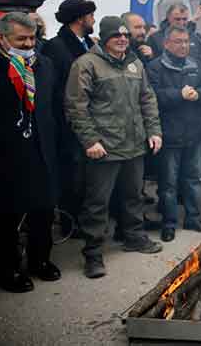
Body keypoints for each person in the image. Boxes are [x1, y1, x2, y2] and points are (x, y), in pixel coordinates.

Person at [65, 16, 164, 278]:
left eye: (125, 36)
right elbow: (76, 107)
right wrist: (90, 141)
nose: (122, 40)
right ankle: (93, 254)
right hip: (104, 148)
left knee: (133, 195)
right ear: (105, 38)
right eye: (115, 36)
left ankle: (133, 237)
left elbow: (147, 99)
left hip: (134, 144)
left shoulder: (134, 64)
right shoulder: (86, 64)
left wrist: (154, 131)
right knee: (97, 203)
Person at [0, 13, 60, 293]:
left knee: (44, 210)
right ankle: (9, 269)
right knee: (7, 215)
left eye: (32, 38)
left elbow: (55, 107)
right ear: (2, 38)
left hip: (42, 149)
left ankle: (40, 261)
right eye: (20, 39)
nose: (27, 44)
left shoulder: (44, 65)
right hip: (7, 153)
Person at [147, 26, 201, 241]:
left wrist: (199, 95)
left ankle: (193, 218)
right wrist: (179, 94)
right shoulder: (155, 67)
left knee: (194, 179)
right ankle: (169, 223)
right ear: (166, 44)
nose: (183, 45)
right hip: (169, 135)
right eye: (178, 41)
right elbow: (152, 96)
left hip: (194, 133)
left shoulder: (197, 65)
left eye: (186, 41)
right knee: (168, 184)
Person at [40, 0, 97, 237]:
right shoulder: (57, 47)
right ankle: (70, 224)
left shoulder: (86, 44)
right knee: (71, 177)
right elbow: (55, 90)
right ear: (80, 18)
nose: (94, 19)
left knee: (84, 178)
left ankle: (81, 221)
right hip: (67, 124)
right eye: (91, 15)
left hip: (86, 121)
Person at [148, 3, 201, 67]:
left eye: (184, 19)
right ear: (168, 18)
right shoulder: (155, 39)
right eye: (177, 19)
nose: (181, 23)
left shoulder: (198, 38)